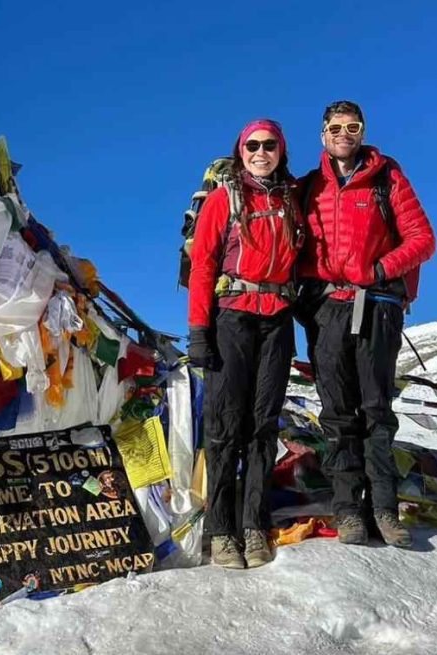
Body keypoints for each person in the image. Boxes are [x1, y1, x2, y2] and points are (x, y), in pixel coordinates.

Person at [296, 100, 436, 548]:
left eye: (352, 127)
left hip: (376, 304)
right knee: (337, 412)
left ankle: (384, 510)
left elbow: (422, 239)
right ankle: (348, 511)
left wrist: (377, 271)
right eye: (335, 127)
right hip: (327, 309)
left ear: (362, 132)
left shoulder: (387, 176)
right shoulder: (307, 186)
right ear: (323, 134)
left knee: (376, 410)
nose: (344, 134)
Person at [187, 119, 303, 569]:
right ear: (241, 151)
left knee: (263, 425)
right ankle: (220, 530)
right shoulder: (224, 198)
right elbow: (202, 266)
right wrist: (199, 330)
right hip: (231, 318)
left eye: (269, 145)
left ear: (281, 150)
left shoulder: (292, 200)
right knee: (224, 425)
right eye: (252, 145)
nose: (261, 152)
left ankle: (255, 525)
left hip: (277, 321)